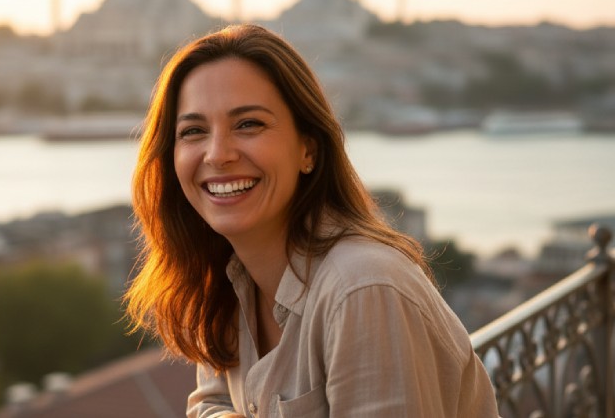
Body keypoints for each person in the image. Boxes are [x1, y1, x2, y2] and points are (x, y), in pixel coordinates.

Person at [125, 24, 499, 417]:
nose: (217, 154)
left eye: (248, 124)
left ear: (309, 150)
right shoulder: (231, 278)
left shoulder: (363, 289)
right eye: (194, 130)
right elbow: (212, 402)